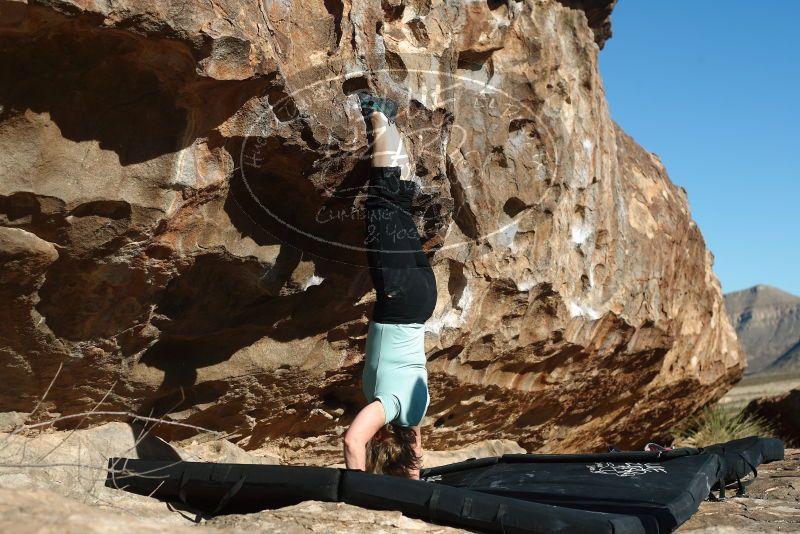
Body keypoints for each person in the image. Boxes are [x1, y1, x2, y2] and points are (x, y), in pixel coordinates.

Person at [342, 91, 438, 480]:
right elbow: (352, 441)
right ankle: (378, 117)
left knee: (396, 203)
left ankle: (391, 123)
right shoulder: (390, 407)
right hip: (399, 303)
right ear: (382, 442)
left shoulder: (417, 411)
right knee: (382, 202)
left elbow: (416, 452)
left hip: (422, 301)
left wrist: (413, 487)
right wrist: (359, 486)